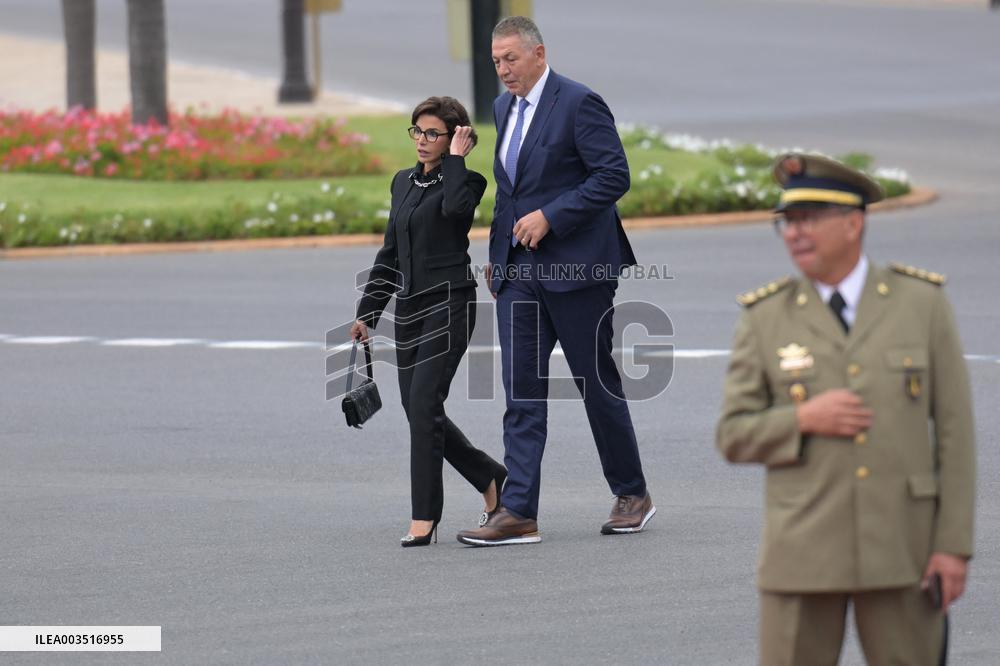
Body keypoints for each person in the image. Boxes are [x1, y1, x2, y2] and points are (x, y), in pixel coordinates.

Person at [716, 153, 976, 665]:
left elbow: (955, 435)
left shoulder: (921, 304)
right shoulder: (764, 317)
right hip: (802, 553)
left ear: (854, 222)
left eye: (809, 218)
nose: (795, 233)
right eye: (786, 222)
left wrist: (952, 547)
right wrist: (802, 420)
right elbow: (733, 434)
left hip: (903, 550)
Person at [456, 17, 653, 547]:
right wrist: (498, 255)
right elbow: (510, 190)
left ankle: (632, 493)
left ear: (538, 53)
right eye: (496, 62)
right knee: (521, 392)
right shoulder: (503, 109)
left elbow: (613, 176)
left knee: (596, 383)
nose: (502, 70)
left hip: (578, 269)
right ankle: (518, 510)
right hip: (520, 272)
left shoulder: (578, 102)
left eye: (510, 59)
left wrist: (552, 216)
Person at [351, 96, 507, 548]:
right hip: (410, 309)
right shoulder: (402, 182)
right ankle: (490, 475)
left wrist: (457, 159)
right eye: (417, 131)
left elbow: (457, 212)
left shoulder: (467, 181)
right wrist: (368, 313)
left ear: (455, 137)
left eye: (433, 133)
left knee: (422, 407)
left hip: (450, 304)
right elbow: (390, 254)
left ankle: (425, 517)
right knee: (422, 411)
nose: (422, 140)